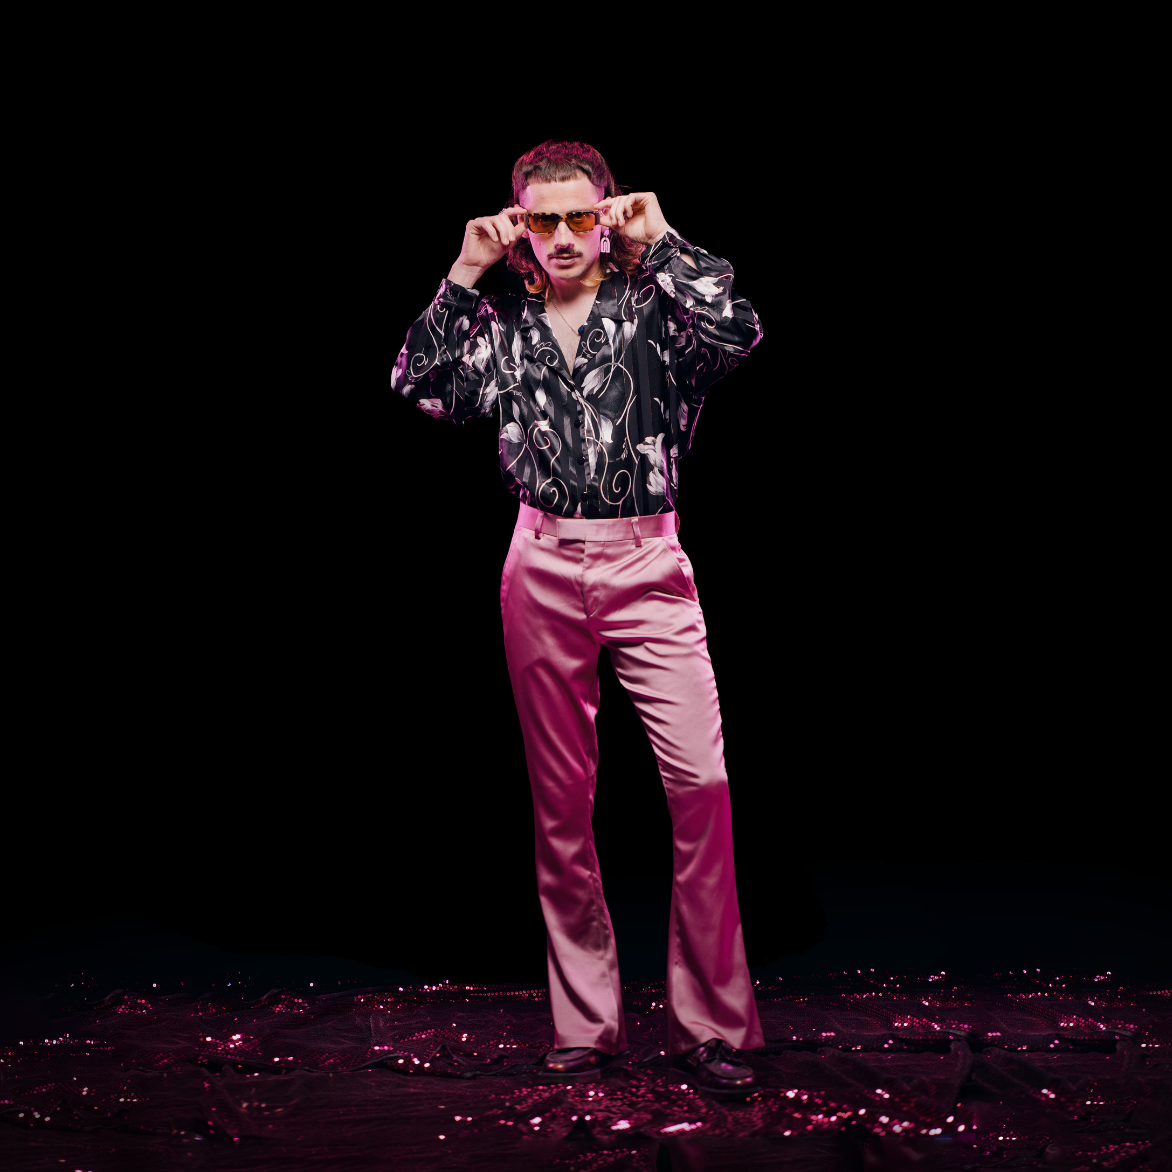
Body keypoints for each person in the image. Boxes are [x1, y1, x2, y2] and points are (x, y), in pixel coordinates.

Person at [392, 140, 764, 1097]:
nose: (561, 235)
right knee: (562, 806)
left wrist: (665, 239)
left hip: (648, 561)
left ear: (605, 216)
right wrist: (465, 270)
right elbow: (420, 385)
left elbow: (739, 331)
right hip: (542, 564)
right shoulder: (503, 324)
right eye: (541, 219)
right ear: (520, 224)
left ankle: (712, 1026)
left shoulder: (656, 309)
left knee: (702, 783)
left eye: (577, 216)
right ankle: (586, 1027)